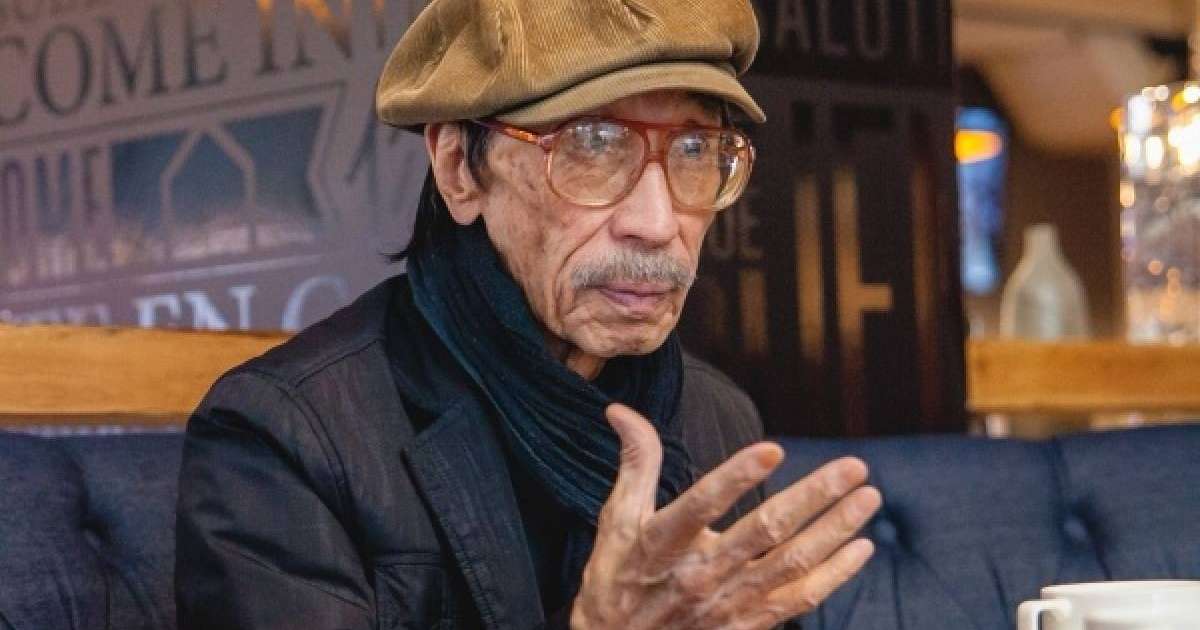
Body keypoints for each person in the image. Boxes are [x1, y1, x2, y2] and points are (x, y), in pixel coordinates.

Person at [174, 0, 883, 628]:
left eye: (695, 150)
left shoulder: (716, 417)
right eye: (593, 145)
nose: (658, 222)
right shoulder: (287, 437)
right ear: (459, 167)